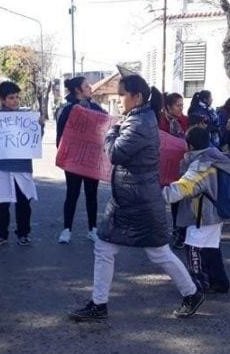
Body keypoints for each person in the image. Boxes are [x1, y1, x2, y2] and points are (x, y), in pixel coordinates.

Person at [69, 74, 204, 321]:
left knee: (157, 252)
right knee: (106, 247)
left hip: (139, 201)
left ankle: (192, 293)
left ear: (137, 97)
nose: (118, 99)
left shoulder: (139, 123)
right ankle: (99, 305)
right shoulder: (139, 118)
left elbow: (116, 153)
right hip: (131, 199)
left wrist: (111, 132)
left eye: (121, 94)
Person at [162, 126, 230, 293]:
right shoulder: (218, 158)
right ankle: (219, 281)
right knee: (211, 248)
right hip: (218, 212)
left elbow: (183, 188)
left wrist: (160, 193)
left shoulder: (200, 165)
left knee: (193, 248)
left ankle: (198, 283)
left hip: (202, 215)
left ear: (189, 147)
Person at [0, 81, 45, 248]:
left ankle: (23, 233)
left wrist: (40, 126)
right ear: (2, 99)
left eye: (17, 97)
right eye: (11, 98)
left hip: (21, 167)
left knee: (23, 202)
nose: (15, 101)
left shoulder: (27, 118)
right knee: (0, 202)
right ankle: (0, 234)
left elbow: (35, 140)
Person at [55, 76, 106, 244]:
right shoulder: (67, 109)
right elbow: (60, 135)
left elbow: (107, 126)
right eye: (86, 86)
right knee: (72, 194)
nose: (90, 88)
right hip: (73, 160)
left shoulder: (96, 107)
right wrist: (63, 155)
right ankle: (67, 229)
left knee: (92, 194)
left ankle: (93, 229)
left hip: (91, 159)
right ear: (78, 90)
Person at [159, 92, 189, 249]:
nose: (181, 109)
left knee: (178, 201)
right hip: (159, 168)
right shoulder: (158, 120)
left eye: (182, 106)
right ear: (168, 107)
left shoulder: (184, 120)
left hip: (179, 168)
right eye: (178, 106)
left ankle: (178, 232)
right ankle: (157, 232)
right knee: (157, 201)